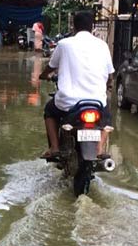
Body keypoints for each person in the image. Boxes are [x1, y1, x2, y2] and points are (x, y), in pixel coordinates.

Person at [41, 11, 114, 158]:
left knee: (49, 111)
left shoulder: (63, 44)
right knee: (107, 119)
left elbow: (50, 67)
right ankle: (99, 150)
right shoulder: (102, 45)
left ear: (74, 27)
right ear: (92, 27)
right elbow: (110, 75)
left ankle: (54, 148)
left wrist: (44, 75)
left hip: (68, 102)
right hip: (97, 102)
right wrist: (108, 85)